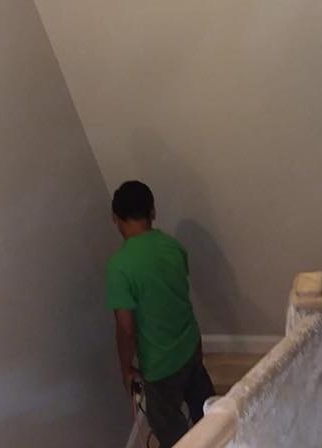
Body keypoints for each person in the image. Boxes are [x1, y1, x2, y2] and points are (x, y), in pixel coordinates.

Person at [105, 180, 215, 447]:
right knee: (204, 402)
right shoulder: (171, 246)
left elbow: (126, 328)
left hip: (161, 367)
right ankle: (218, 436)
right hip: (190, 345)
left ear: (115, 219)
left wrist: (126, 370)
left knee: (169, 426)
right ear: (152, 212)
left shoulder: (119, 268)